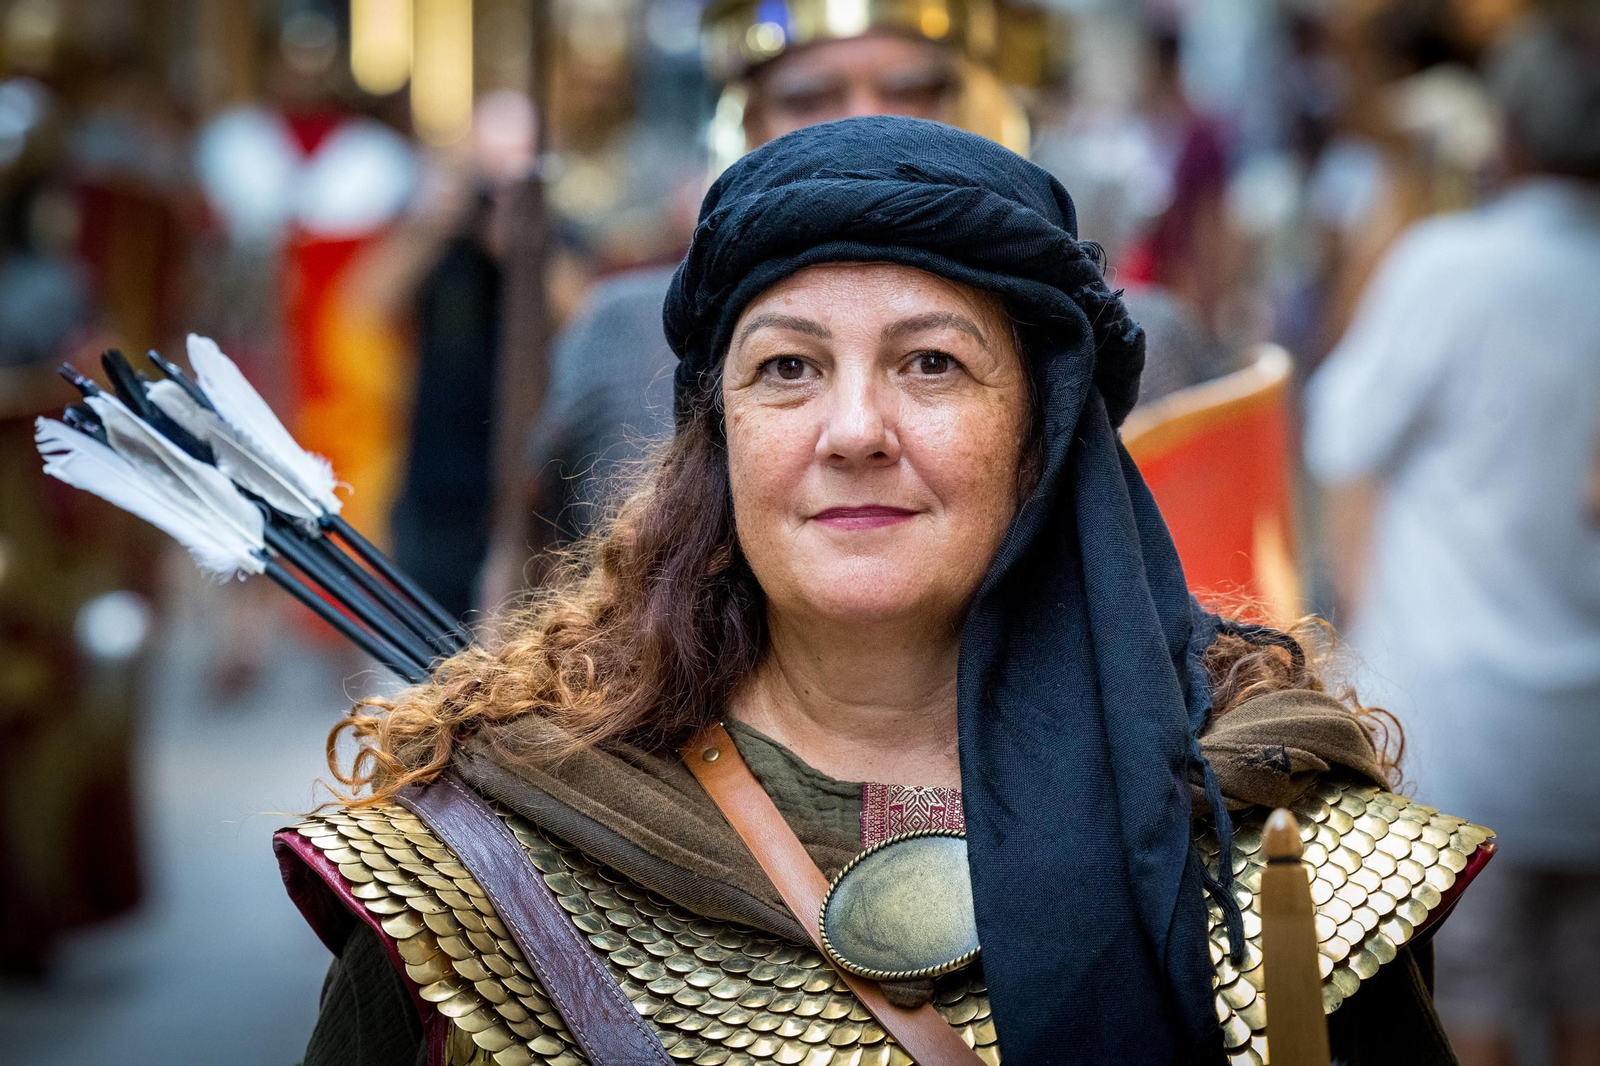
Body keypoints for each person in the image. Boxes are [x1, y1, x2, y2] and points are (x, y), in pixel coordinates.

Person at [279, 117, 1492, 1066]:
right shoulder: (491, 863)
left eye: (931, 363)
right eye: (789, 367)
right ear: (723, 436)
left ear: (1042, 433)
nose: (854, 428)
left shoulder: (1277, 843)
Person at [478, 0, 1040, 597]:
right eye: (808, 99)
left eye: (910, 90)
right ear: (742, 125)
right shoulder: (624, 334)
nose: (860, 126)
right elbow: (531, 587)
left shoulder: (1092, 337)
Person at [1303, 13, 1600, 1066]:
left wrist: (1353, 627)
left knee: (1459, 999)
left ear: (1505, 137)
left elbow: (1339, 431)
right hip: (1585, 733)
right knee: (1584, 991)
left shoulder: (1449, 263)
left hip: (1462, 720)